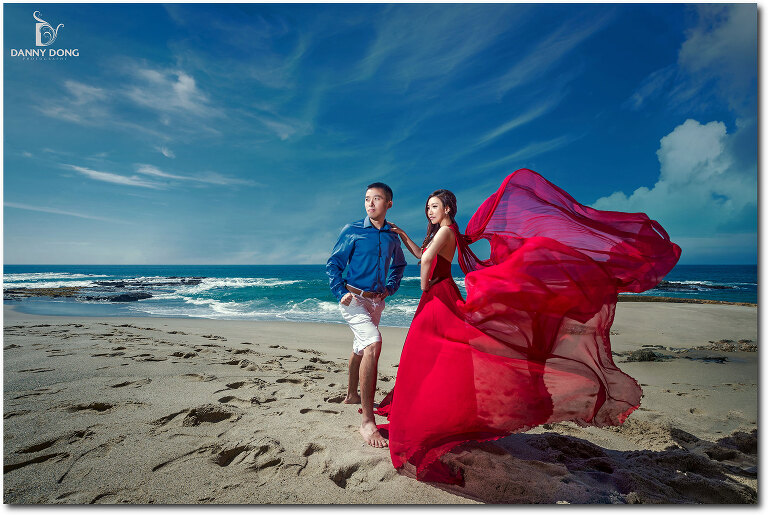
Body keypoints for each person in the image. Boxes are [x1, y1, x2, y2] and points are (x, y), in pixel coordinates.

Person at [375, 169, 681, 484]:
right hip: (441, 293)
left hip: (437, 294)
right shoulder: (445, 233)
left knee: (425, 352)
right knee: (435, 353)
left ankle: (427, 416)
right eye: (428, 207)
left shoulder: (446, 230)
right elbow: (422, 254)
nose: (430, 211)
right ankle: (435, 410)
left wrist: (425, 285)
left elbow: (426, 262)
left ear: (448, 208)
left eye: (434, 206)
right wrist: (404, 235)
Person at [326, 182, 407, 448]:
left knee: (360, 347)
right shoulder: (352, 230)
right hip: (353, 299)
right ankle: (367, 422)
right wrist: (340, 292)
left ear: (389, 204)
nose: (370, 203)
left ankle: (352, 394)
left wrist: (390, 288)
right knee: (373, 343)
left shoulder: (392, 236)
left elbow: (399, 265)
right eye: (367, 198)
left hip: (376, 302)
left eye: (377, 199)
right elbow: (334, 264)